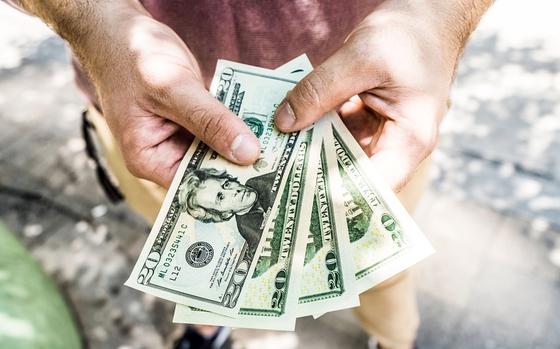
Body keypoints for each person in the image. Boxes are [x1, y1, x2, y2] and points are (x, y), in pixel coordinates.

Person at [6, 0, 494, 348]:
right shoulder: (230, 225)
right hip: (149, 118)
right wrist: (89, 17)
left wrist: (437, 19)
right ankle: (206, 327)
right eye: (217, 198)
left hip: (369, 116)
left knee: (380, 267)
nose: (222, 190)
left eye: (215, 191)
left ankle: (394, 339)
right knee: (195, 268)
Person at [178, 167, 275, 259]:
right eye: (221, 197)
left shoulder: (256, 183)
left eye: (226, 184)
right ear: (225, 214)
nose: (234, 191)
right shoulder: (245, 226)